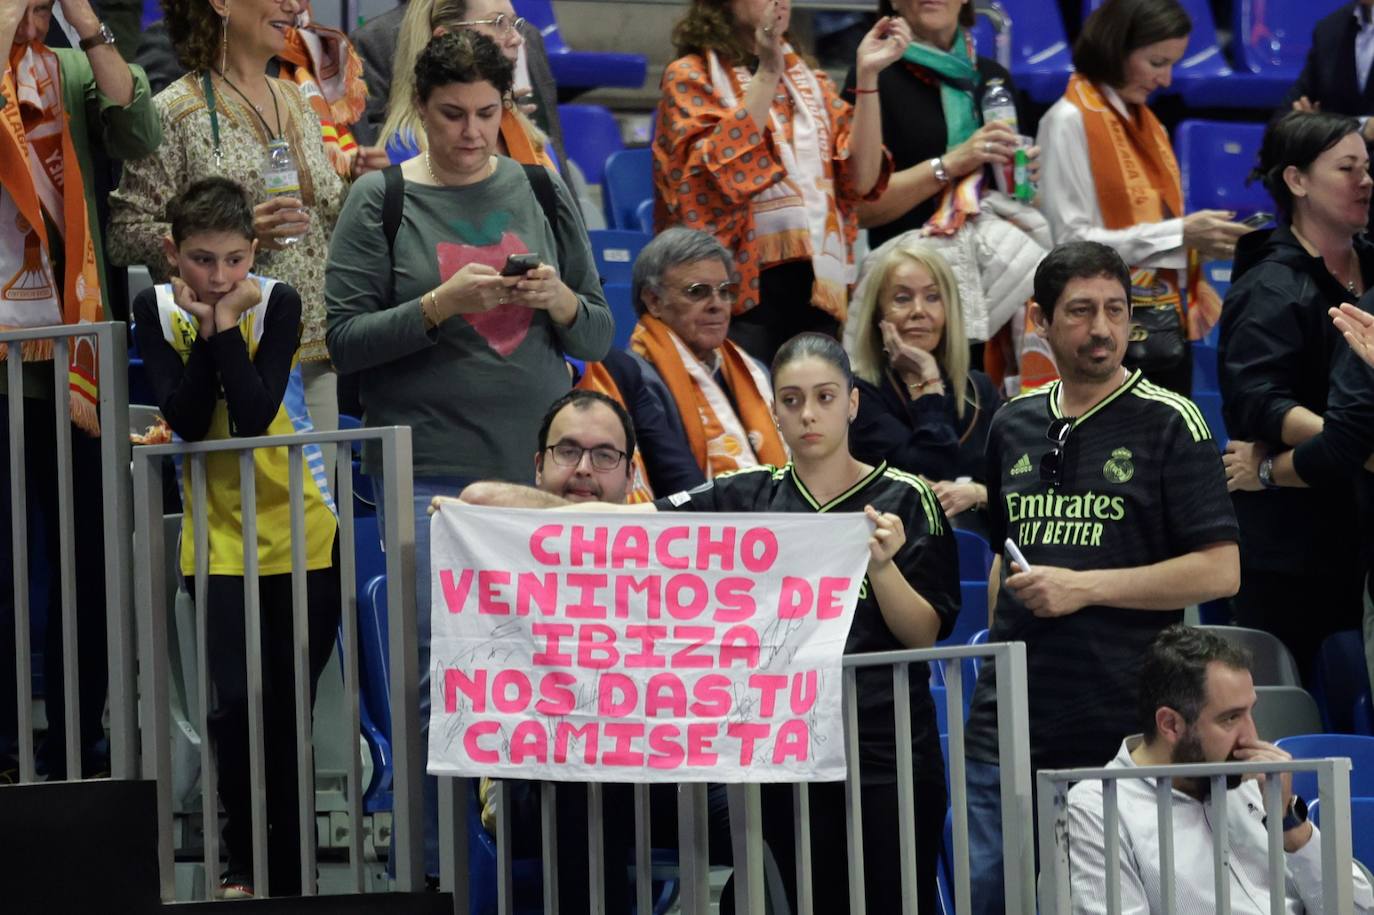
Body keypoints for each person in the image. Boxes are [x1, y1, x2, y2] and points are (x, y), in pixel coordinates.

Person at [463, 332, 959, 915]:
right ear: (774, 410)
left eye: (825, 397)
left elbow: (922, 634)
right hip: (784, 759)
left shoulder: (908, 498)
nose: (808, 414)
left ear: (851, 403)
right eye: (792, 400)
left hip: (887, 755)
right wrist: (489, 499)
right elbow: (624, 523)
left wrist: (882, 567)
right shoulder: (744, 497)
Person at [324, 30, 612, 876]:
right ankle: (434, 873)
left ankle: (544, 869)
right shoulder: (379, 198)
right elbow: (343, 342)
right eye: (453, 115)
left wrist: (559, 295)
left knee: (558, 682)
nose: (473, 132)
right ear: (420, 109)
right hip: (428, 478)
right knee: (432, 690)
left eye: (489, 112)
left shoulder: (538, 186)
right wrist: (440, 305)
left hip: (540, 483)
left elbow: (599, 330)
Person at [960, 241, 1241, 915]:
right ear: (1040, 319)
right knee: (994, 898)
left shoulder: (1171, 420)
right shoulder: (1012, 421)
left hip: (1122, 720)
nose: (1104, 329)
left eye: (1117, 310)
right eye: (1082, 311)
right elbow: (1006, 552)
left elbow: (1220, 567)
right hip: (1009, 720)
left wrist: (1084, 587)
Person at [130, 178, 341, 898]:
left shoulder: (277, 300)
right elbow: (188, 417)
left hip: (305, 535)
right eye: (200, 260)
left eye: (232, 260)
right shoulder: (154, 308)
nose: (218, 278)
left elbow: (252, 417)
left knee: (286, 715)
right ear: (170, 252)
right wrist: (217, 331)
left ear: (254, 252)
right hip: (217, 544)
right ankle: (244, 868)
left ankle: (293, 877)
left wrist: (221, 325)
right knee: (231, 710)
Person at [109, 0, 387, 475]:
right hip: (225, 362)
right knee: (240, 535)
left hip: (316, 355)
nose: (297, 5)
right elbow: (125, 234)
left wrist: (356, 189)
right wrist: (233, 238)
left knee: (314, 529)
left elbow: (324, 220)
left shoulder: (300, 101)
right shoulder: (173, 113)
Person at [0, 0, 160, 781]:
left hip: (72, 359)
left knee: (85, 562)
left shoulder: (65, 68)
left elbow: (139, 131)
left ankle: (81, 741)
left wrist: (85, 24)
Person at [653, 0, 909, 365]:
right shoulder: (690, 77)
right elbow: (716, 181)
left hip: (815, 289)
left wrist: (867, 75)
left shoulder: (809, 82)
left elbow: (862, 180)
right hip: (731, 293)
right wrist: (768, 70)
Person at [1066, 624, 1374, 913]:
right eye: (1230, 718)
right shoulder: (1099, 808)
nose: (1251, 737)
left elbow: (1360, 909)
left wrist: (1289, 826)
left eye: (1250, 711)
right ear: (1170, 724)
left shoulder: (1251, 782)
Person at [1218, 111, 1374, 685]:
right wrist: (1347, 445)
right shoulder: (1270, 284)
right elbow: (1257, 402)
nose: (1365, 181)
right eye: (1347, 168)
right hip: (1292, 544)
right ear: (1297, 181)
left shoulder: (1371, 265)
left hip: (1357, 524)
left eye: (1367, 167)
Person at [1036, 0, 1247, 395]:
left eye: (1172, 64)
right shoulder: (1066, 120)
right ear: (1116, 50)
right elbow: (1068, 245)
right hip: (1098, 334)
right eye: (1156, 62)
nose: (1166, 79)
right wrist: (1180, 235)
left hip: (1160, 320)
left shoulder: (1149, 124)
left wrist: (1200, 239)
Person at [578, 227, 785, 502]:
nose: (718, 305)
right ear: (653, 301)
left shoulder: (753, 369)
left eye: (725, 291)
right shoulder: (637, 377)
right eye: (698, 292)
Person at [844, 0, 1033, 249]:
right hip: (909, 263)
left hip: (990, 256)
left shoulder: (994, 78)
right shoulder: (873, 74)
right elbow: (858, 209)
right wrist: (950, 164)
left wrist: (1025, 178)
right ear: (894, 2)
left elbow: (1022, 196)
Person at [848, 239, 1000, 535]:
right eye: (902, 299)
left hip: (982, 555)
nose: (919, 311)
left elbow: (1018, 484)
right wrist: (928, 383)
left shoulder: (979, 389)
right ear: (879, 315)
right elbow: (928, 479)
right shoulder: (860, 396)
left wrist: (979, 494)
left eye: (933, 297)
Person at [350, 0, 567, 171]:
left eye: (514, 23)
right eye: (497, 22)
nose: (517, 38)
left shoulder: (534, 142)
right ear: (447, 38)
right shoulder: (404, 151)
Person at [1286, 0, 1374, 226]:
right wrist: (1363, 128)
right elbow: (1290, 113)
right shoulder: (1330, 28)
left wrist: (1323, 123)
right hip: (1336, 197)